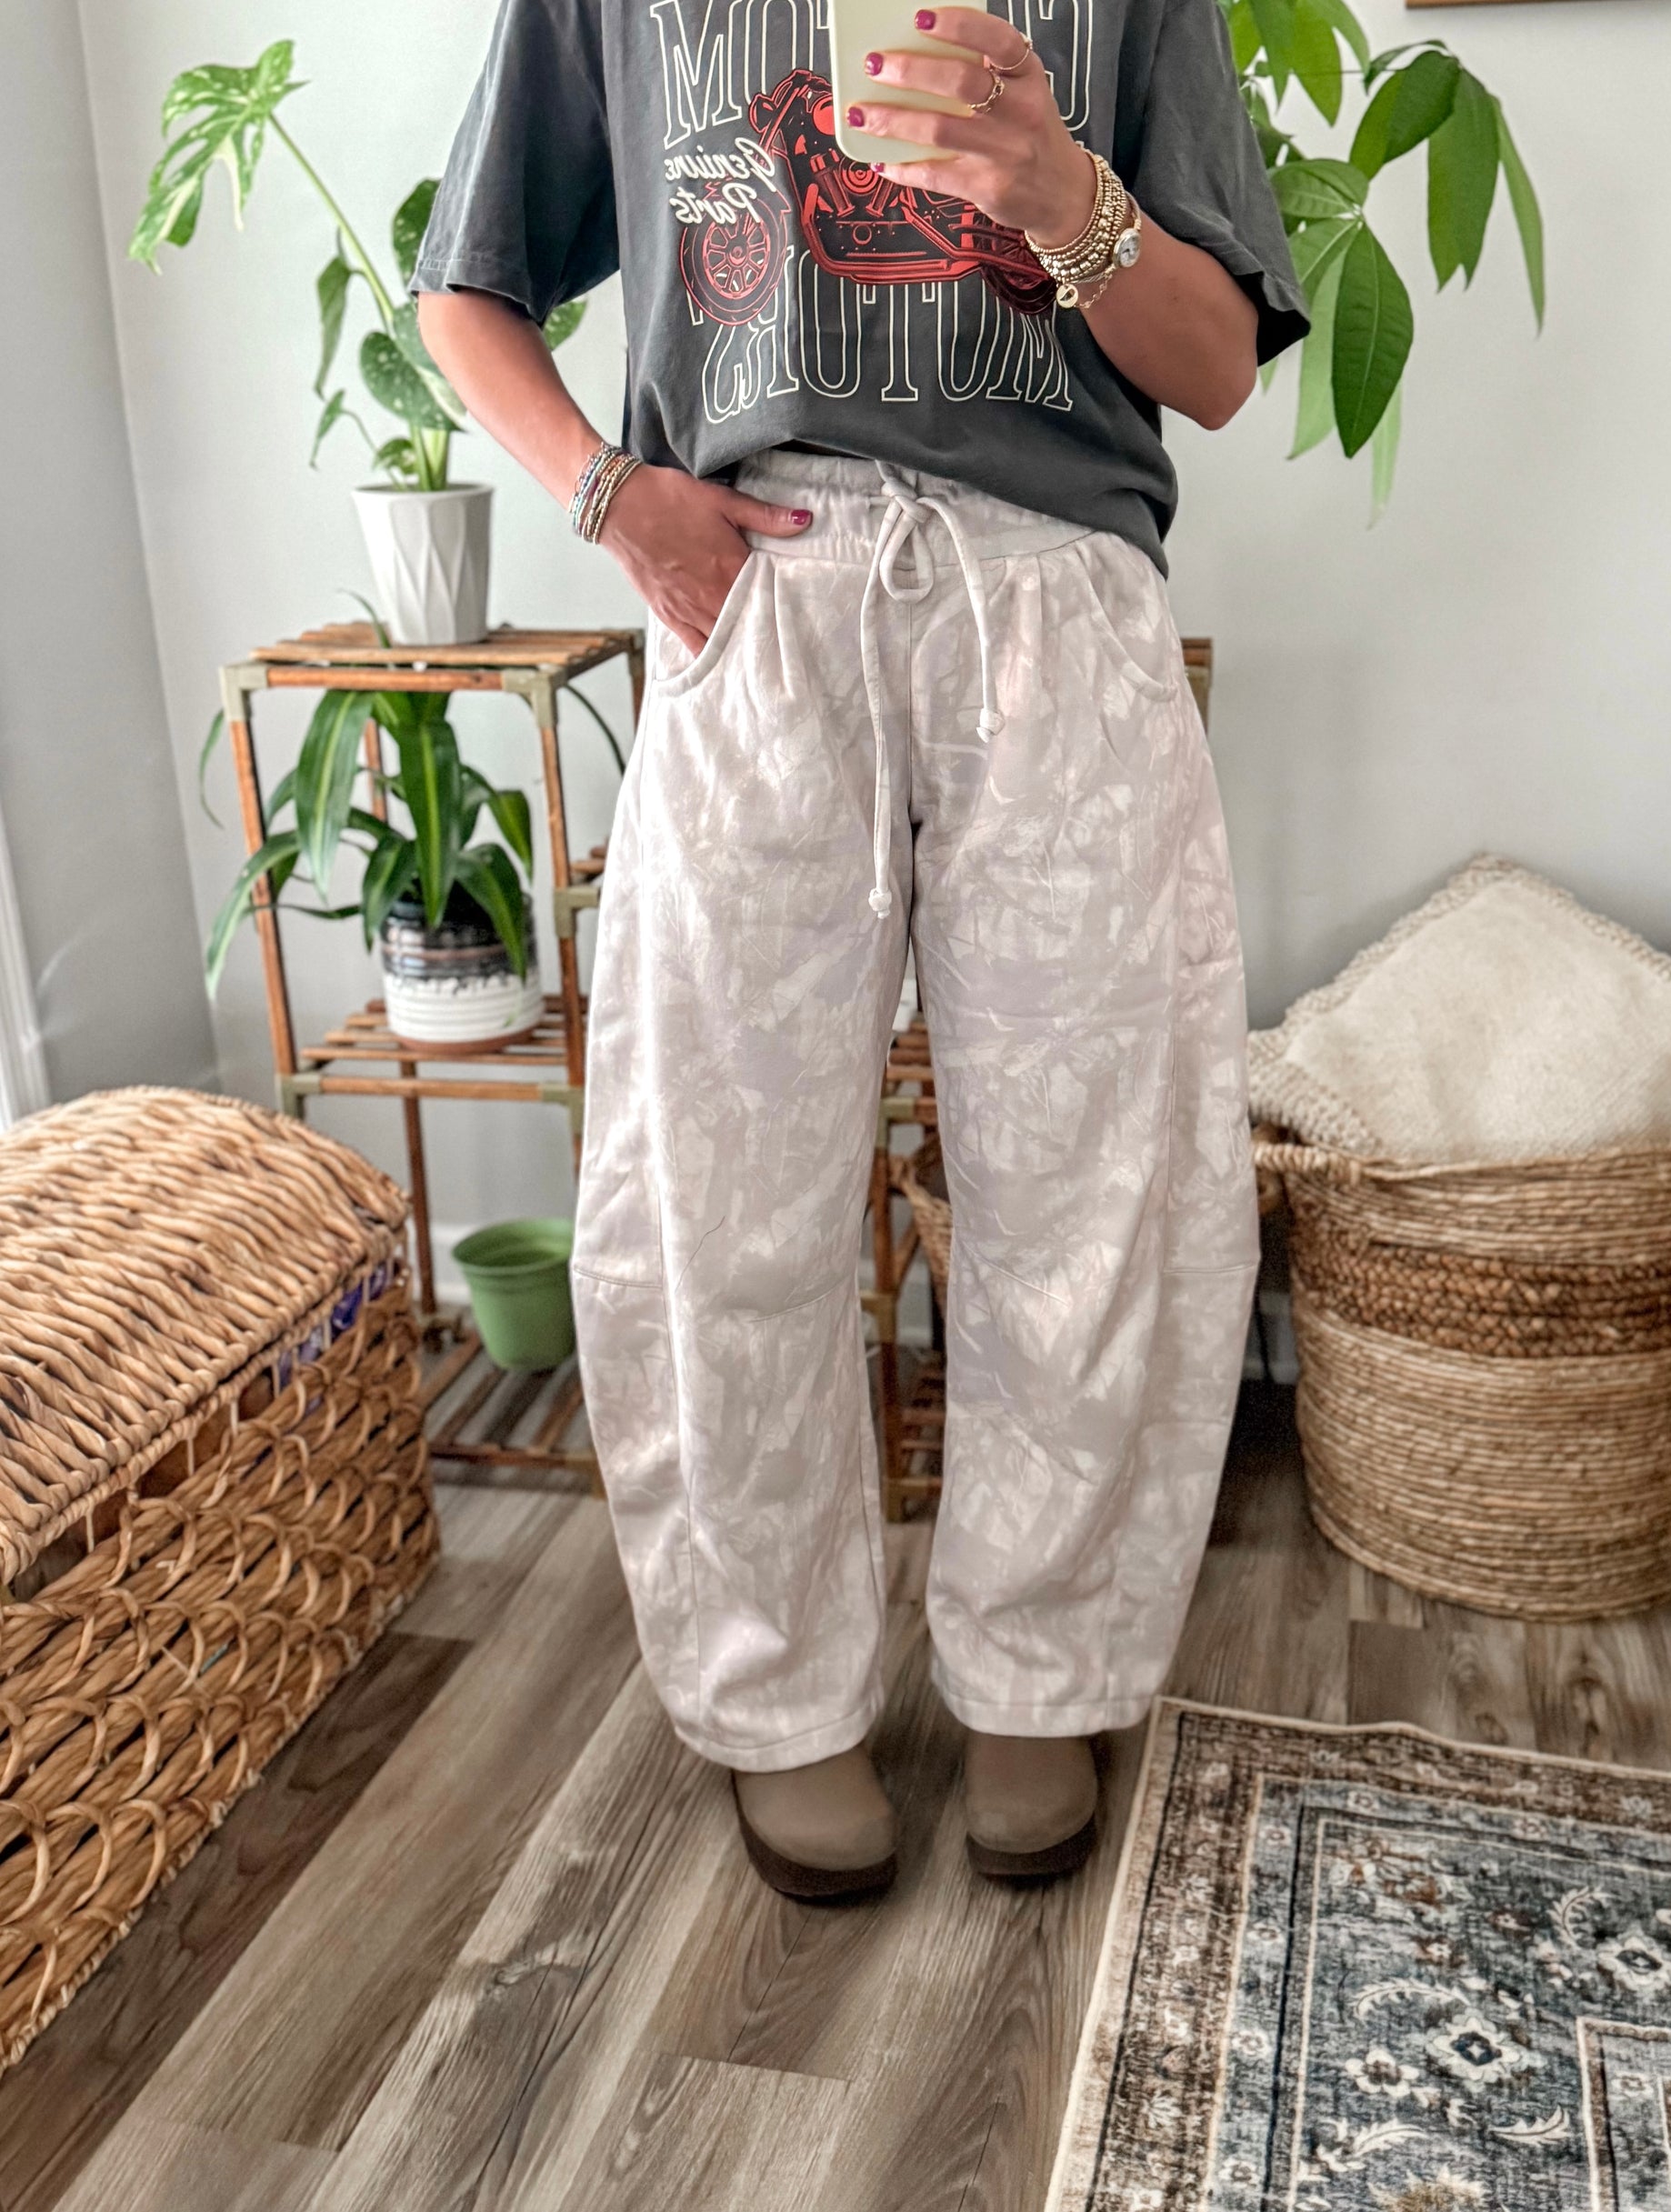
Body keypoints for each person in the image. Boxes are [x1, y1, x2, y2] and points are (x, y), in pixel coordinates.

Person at [415, 0, 1305, 1900]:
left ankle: (1043, 1668)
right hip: (754, 594)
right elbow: (464, 288)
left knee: (1097, 1176)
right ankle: (774, 1692)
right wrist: (610, 495)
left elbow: (1219, 367)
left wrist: (1061, 193)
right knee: (715, 1181)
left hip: (1056, 600)